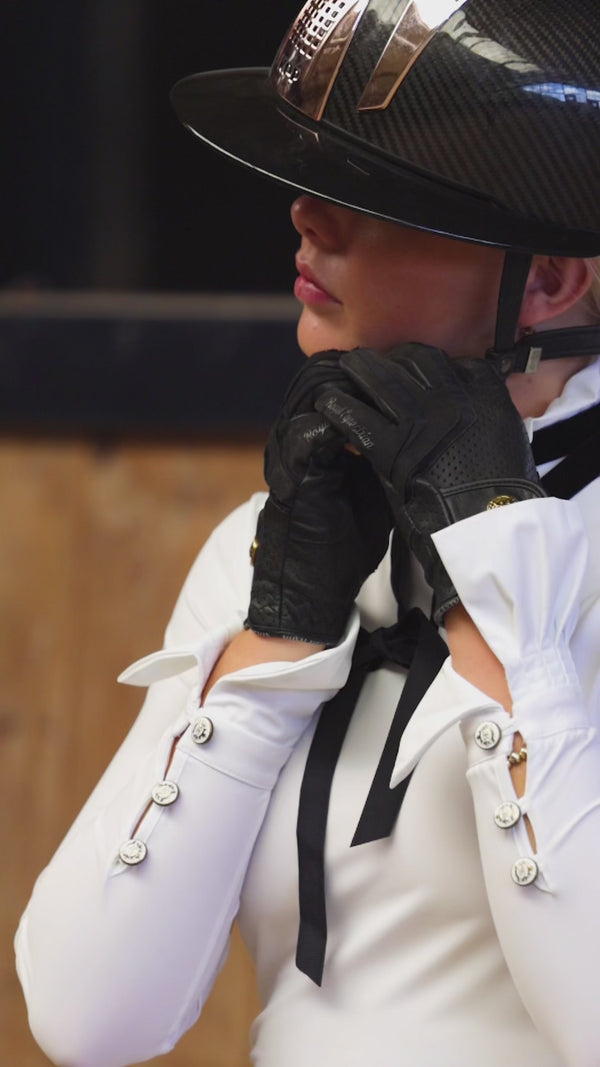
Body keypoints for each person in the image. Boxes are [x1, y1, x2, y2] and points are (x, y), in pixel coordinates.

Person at [15, 1, 600, 1065]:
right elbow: (90, 1016)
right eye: (318, 178)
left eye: (379, 193)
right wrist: (277, 641)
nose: (307, 216)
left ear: (554, 278)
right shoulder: (278, 532)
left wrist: (503, 601)